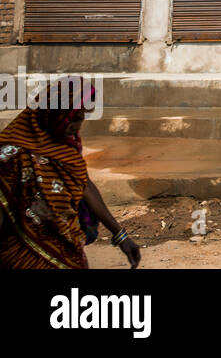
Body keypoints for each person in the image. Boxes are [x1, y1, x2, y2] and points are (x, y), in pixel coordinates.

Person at [0, 77, 141, 269]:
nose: (75, 127)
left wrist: (121, 236)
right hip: (20, 255)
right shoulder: (12, 155)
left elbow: (85, 186)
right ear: (53, 114)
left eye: (80, 119)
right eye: (71, 119)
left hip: (67, 251)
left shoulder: (67, 151)